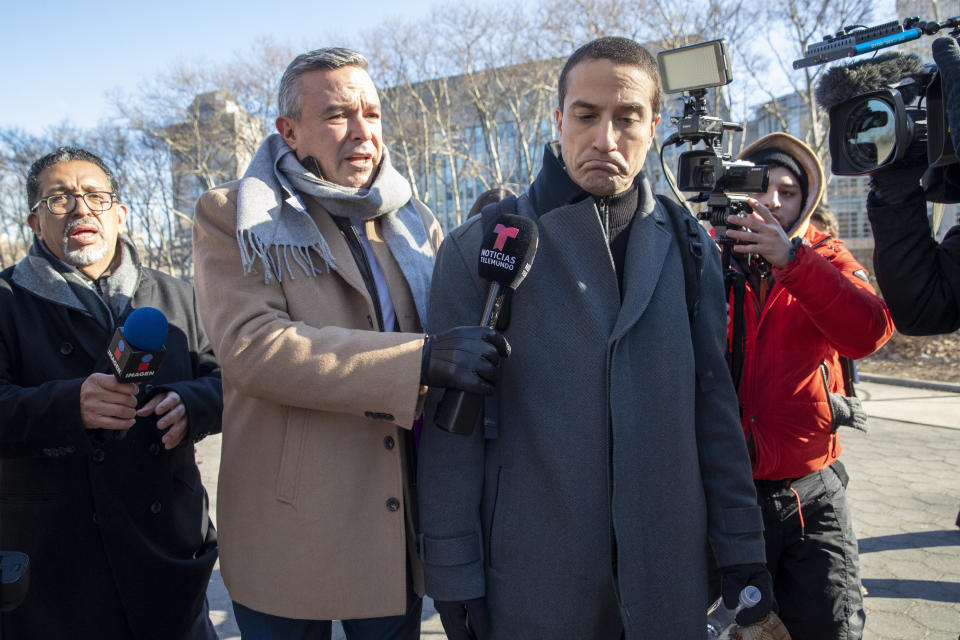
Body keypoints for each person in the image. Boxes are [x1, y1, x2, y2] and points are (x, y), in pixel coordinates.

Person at [418, 37, 772, 640]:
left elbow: (713, 407)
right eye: (586, 115)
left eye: (627, 118)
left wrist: (741, 543)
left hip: (667, 577)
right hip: (532, 584)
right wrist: (453, 572)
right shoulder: (480, 246)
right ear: (558, 120)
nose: (606, 139)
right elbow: (454, 434)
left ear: (654, 125)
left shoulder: (690, 250)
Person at [192, 47, 508, 639]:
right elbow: (252, 348)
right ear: (289, 130)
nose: (363, 132)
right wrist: (417, 360)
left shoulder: (411, 216)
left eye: (372, 113)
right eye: (338, 115)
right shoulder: (232, 213)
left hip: (393, 524)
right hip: (288, 529)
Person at [0, 147, 222, 639]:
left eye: (95, 196)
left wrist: (193, 404)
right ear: (35, 223)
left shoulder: (178, 294)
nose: (81, 209)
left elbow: (229, 379)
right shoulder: (6, 300)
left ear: (119, 214)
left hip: (168, 551)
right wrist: (67, 406)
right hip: (56, 566)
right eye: (59, 199)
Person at [722, 132, 895, 639]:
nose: (773, 201)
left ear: (807, 200)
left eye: (789, 191)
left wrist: (792, 260)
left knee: (831, 626)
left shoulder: (824, 252)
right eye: (761, 187)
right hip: (730, 494)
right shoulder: (710, 256)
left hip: (812, 493)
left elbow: (870, 330)